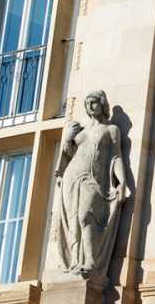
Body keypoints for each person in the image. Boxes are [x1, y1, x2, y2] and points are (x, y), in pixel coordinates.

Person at [53, 89, 129, 277]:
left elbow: (116, 157)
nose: (91, 106)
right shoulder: (81, 131)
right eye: (88, 103)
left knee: (86, 215)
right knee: (74, 219)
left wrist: (122, 182)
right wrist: (67, 138)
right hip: (72, 176)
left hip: (92, 178)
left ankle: (90, 260)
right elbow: (67, 154)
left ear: (102, 104)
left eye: (94, 102)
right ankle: (76, 261)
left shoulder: (111, 130)